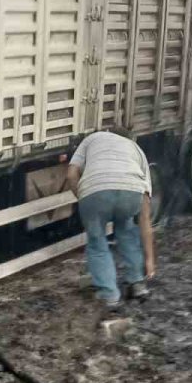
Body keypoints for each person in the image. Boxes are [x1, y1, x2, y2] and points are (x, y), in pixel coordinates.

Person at [64, 127, 156, 308]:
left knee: (97, 241)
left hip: (94, 189)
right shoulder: (135, 149)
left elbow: (71, 174)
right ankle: (137, 284)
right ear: (129, 139)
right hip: (131, 190)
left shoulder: (92, 138)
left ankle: (109, 295)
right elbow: (145, 220)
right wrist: (149, 260)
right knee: (128, 229)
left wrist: (83, 197)